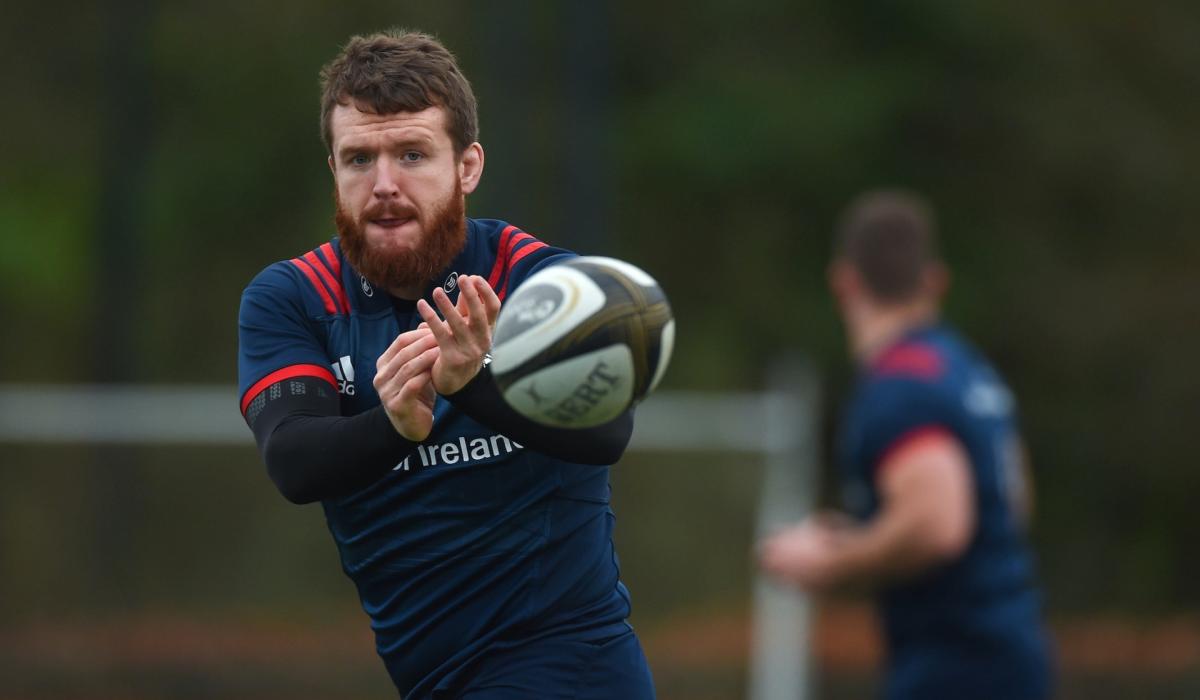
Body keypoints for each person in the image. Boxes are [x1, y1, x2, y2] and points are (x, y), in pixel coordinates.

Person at [236, 30, 655, 699]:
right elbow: (294, 461)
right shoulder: (294, 299)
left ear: (467, 166)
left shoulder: (540, 283)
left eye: (411, 154)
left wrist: (476, 385)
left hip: (569, 667)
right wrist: (395, 425)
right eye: (359, 159)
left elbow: (608, 432)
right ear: (333, 170)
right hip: (434, 680)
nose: (384, 185)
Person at [758, 191, 1052, 699]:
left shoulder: (900, 387)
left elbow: (939, 526)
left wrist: (832, 562)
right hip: (1008, 649)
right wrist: (858, 535)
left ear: (844, 282)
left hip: (957, 663)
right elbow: (1011, 504)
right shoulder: (968, 371)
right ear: (934, 282)